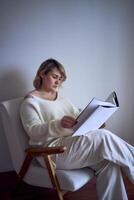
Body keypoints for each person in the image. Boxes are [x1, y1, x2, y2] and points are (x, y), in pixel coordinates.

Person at [20, 58, 134, 200]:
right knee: (102, 136)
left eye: (61, 79)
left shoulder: (62, 99)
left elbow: (78, 115)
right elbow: (33, 131)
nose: (58, 82)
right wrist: (58, 124)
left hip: (70, 145)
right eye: (55, 77)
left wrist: (95, 119)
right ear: (42, 73)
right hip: (50, 151)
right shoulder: (30, 102)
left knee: (107, 162)